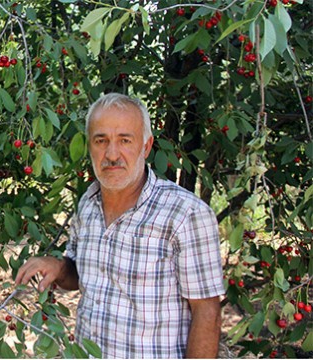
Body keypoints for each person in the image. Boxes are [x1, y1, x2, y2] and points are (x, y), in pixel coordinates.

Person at [15, 93, 224, 358]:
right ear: (90, 146)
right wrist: (58, 267)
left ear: (146, 147)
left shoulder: (185, 214)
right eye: (101, 141)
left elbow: (207, 313)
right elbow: (81, 277)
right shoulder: (88, 205)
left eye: (125, 140)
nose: (112, 154)